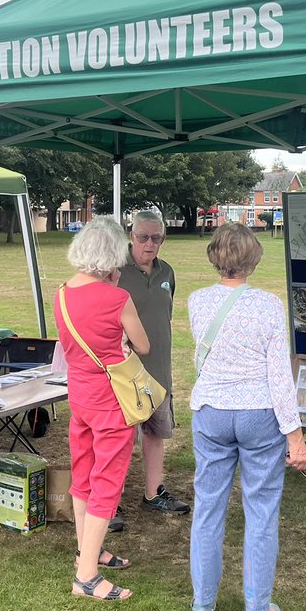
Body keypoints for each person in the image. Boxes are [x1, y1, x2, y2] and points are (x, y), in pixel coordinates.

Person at [187, 223, 306, 611]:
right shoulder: (269, 306)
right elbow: (279, 375)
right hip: (259, 414)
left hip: (211, 411)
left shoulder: (196, 302)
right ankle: (257, 610)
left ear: (214, 257)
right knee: (261, 512)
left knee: (208, 507)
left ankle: (202, 604)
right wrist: (295, 436)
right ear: (254, 259)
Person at [55, 217, 151, 602]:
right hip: (111, 400)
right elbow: (143, 345)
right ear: (113, 257)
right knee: (106, 484)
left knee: (83, 475)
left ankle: (86, 551)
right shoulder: (118, 298)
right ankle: (86, 576)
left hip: (79, 395)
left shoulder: (61, 292)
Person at [114, 210, 189, 531]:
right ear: (131, 236)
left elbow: (166, 314)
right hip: (124, 374)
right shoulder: (116, 272)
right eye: (143, 236)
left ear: (163, 239)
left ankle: (153, 492)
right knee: (119, 440)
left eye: (156, 238)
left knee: (156, 433)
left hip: (159, 369)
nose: (149, 244)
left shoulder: (167, 272)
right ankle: (111, 500)